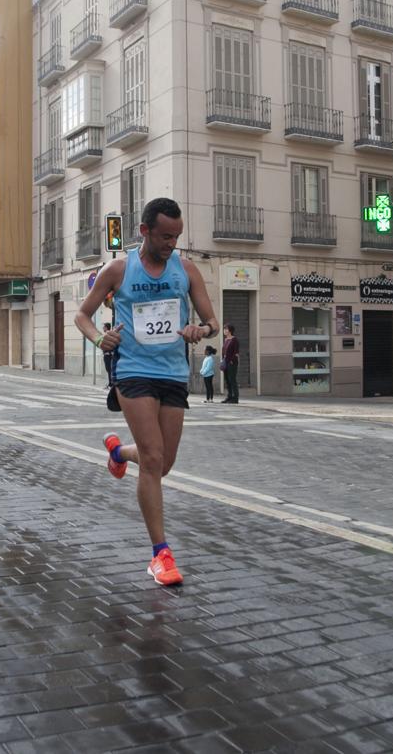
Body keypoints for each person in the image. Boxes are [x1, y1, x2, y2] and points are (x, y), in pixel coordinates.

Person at [75, 197, 219, 587]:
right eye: (165, 236)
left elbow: (212, 323)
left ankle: (119, 452)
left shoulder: (186, 270)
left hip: (173, 374)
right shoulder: (119, 269)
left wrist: (200, 331)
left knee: (162, 462)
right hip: (133, 371)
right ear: (145, 231)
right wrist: (98, 339)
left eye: (177, 236)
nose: (172, 243)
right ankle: (161, 554)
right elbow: (82, 314)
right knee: (153, 459)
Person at [220, 324, 240, 403]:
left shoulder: (234, 340)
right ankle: (229, 396)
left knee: (232, 380)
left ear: (230, 330)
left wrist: (231, 361)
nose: (224, 330)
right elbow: (224, 351)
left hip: (232, 363)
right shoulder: (226, 340)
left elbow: (236, 352)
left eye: (226, 329)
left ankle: (235, 398)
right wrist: (223, 360)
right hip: (225, 362)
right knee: (227, 380)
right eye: (224, 329)